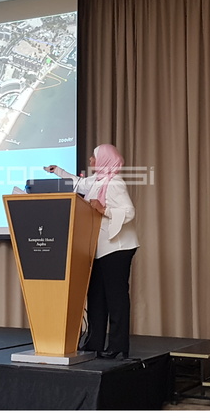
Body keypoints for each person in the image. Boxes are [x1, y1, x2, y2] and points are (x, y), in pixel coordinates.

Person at [45, 144, 139, 359]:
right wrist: (58, 170)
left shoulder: (115, 183)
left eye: (94, 157)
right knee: (96, 296)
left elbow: (129, 212)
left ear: (105, 160)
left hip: (118, 248)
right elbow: (79, 183)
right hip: (99, 248)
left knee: (115, 297)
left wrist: (104, 209)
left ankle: (118, 346)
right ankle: (94, 342)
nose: (90, 160)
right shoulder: (98, 181)